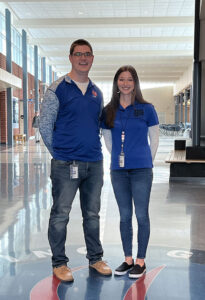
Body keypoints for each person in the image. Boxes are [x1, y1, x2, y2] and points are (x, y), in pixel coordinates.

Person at [39, 39, 112, 282]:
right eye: (78, 54)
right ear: (70, 57)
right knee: (61, 214)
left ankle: (96, 258)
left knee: (92, 214)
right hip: (65, 164)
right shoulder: (57, 88)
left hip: (94, 163)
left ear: (92, 58)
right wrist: (59, 153)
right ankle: (59, 263)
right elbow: (46, 125)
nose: (83, 58)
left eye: (88, 54)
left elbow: (97, 126)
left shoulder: (96, 92)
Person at [101, 65, 159, 279]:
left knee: (141, 215)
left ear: (135, 83)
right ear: (116, 83)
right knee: (125, 216)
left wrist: (145, 159)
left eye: (130, 79)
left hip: (142, 170)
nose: (125, 83)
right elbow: (107, 138)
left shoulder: (147, 108)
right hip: (118, 171)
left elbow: (155, 139)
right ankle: (128, 259)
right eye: (121, 79)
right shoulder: (108, 110)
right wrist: (117, 155)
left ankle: (141, 261)